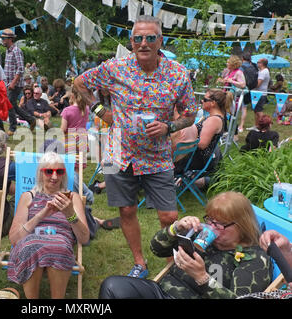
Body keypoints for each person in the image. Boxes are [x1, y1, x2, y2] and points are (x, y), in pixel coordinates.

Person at [74, 15, 198, 279]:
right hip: (117, 154)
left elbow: (190, 113)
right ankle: (140, 263)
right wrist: (99, 110)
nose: (143, 43)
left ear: (160, 41)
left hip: (158, 156)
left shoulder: (177, 74)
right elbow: (80, 83)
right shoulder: (115, 67)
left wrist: (170, 127)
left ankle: (170, 264)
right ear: (131, 41)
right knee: (127, 210)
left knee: (169, 215)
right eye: (138, 38)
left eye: (150, 38)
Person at [99, 191, 273, 299]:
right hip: (163, 291)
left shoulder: (254, 259)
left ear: (241, 225)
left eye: (219, 224)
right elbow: (156, 249)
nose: (211, 227)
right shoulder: (201, 233)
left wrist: (202, 278)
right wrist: (175, 228)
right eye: (210, 220)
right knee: (112, 287)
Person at [7, 152, 90, 299]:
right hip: (31, 241)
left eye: (59, 171)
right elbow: (14, 239)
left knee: (59, 247)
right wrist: (41, 215)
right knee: (29, 247)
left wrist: (70, 213)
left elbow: (84, 238)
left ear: (64, 174)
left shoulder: (72, 198)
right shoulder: (28, 197)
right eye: (49, 171)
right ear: (40, 173)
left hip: (60, 242)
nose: (54, 176)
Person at [172, 89, 229, 176]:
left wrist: (188, 139)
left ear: (213, 103)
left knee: (167, 158)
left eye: (205, 99)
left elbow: (202, 144)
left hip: (198, 159)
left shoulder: (213, 120)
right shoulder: (217, 117)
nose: (202, 101)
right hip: (199, 157)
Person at [1, 28, 35, 136]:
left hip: (16, 84)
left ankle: (13, 127)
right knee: (12, 105)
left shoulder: (16, 51)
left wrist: (13, 83)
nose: (2, 40)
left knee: (10, 104)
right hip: (9, 83)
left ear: (10, 39)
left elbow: (20, 69)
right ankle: (31, 120)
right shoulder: (7, 50)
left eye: (4, 38)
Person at [247, 58, 270, 131]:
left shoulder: (264, 72)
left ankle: (264, 125)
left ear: (262, 63)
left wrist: (249, 85)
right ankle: (256, 126)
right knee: (256, 111)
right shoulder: (261, 71)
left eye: (258, 62)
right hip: (257, 94)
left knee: (259, 111)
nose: (257, 64)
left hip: (260, 94)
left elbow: (258, 84)